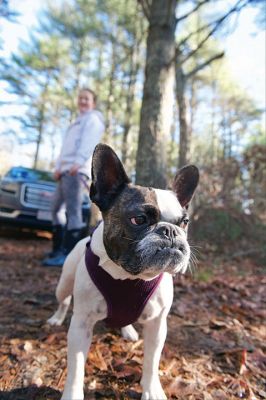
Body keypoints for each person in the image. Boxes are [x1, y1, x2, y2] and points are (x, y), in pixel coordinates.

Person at [42, 88, 105, 267]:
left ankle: (68, 255)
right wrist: (58, 167)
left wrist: (77, 163)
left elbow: (89, 143)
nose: (83, 101)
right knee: (56, 209)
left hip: (76, 171)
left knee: (73, 212)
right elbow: (65, 149)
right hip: (65, 171)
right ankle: (58, 249)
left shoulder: (93, 119)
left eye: (87, 98)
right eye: (81, 98)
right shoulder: (76, 122)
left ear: (93, 102)